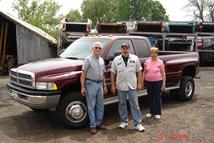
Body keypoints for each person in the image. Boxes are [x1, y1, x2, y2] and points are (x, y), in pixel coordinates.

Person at [111, 43, 145, 132]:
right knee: (122, 104)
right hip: (121, 85)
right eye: (123, 48)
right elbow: (113, 73)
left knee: (135, 104)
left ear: (129, 49)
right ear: (121, 49)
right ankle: (124, 121)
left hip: (132, 85)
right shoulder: (116, 59)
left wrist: (139, 83)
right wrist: (113, 85)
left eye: (126, 48)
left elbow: (139, 72)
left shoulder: (135, 58)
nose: (125, 50)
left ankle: (138, 124)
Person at [80, 41, 107, 134]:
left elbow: (103, 74)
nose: (98, 49)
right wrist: (82, 87)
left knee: (100, 105)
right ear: (92, 49)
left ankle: (99, 123)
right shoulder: (88, 59)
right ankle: (92, 125)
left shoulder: (101, 60)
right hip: (90, 84)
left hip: (100, 84)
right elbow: (83, 74)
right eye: (96, 47)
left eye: (99, 48)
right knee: (91, 106)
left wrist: (104, 86)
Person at [142, 47, 166, 119]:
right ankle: (151, 112)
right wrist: (142, 82)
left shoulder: (160, 62)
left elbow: (163, 73)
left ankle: (158, 112)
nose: (153, 54)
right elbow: (144, 72)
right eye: (151, 53)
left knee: (157, 97)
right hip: (148, 81)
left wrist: (164, 83)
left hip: (157, 82)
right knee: (150, 97)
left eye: (154, 53)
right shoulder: (147, 61)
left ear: (157, 54)